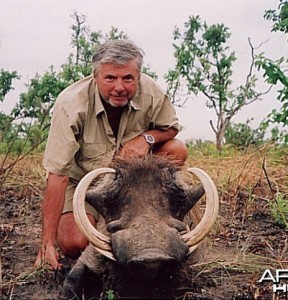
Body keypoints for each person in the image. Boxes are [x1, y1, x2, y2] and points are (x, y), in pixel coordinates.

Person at [35, 39, 188, 270]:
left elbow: (172, 127)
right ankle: (105, 222)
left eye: (128, 78)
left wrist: (146, 139)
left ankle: (155, 210)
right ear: (95, 77)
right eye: (110, 78)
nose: (119, 87)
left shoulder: (151, 91)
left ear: (138, 76)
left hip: (131, 183)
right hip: (83, 183)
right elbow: (58, 174)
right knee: (74, 243)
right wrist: (46, 243)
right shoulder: (71, 104)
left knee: (176, 150)